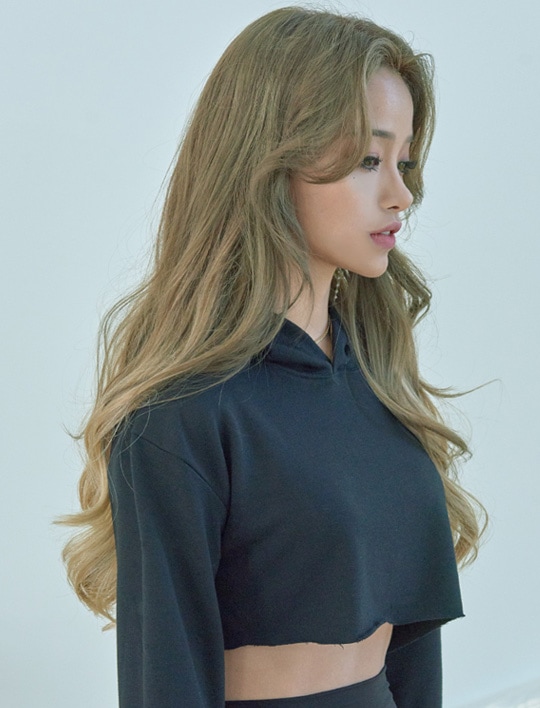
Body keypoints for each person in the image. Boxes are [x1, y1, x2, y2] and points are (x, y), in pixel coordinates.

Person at [60, 6, 486, 707]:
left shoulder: (379, 380)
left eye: (404, 161)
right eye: (368, 160)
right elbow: (165, 677)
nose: (401, 194)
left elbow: (410, 638)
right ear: (268, 164)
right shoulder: (182, 415)